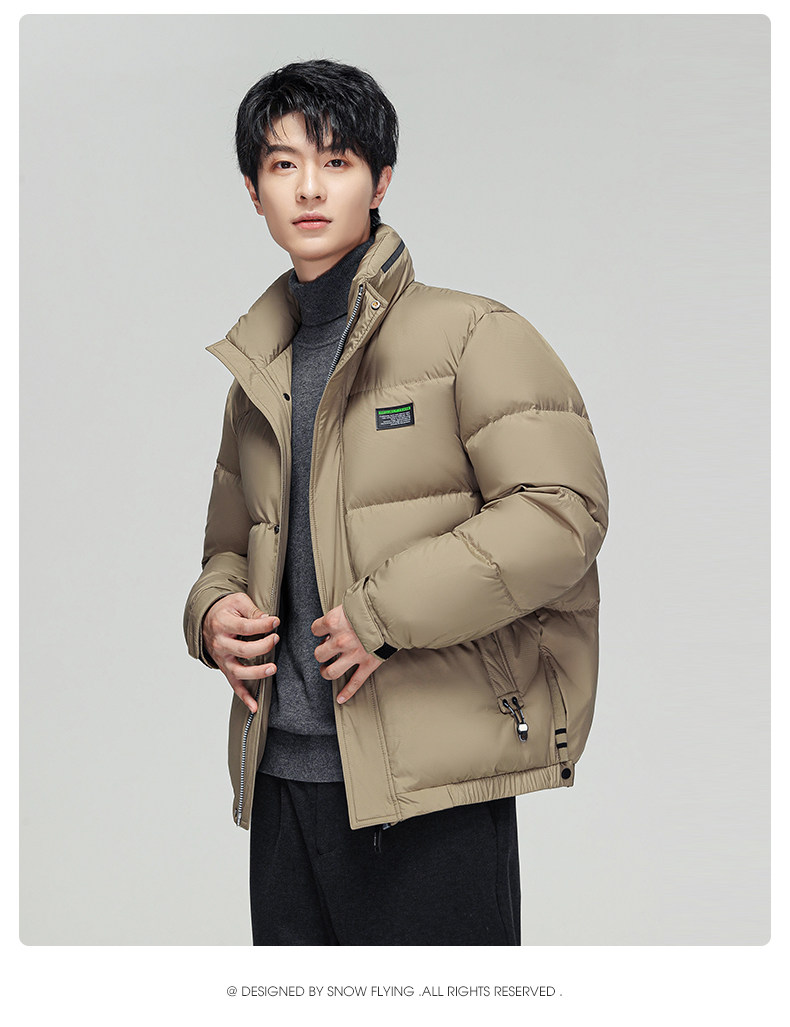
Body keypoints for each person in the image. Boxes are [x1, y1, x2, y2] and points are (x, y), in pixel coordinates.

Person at [183, 58, 609, 946]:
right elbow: (230, 543)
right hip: (283, 778)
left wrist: (382, 612)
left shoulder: (471, 334)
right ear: (253, 191)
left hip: (425, 787)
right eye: (283, 164)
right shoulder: (255, 376)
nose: (309, 187)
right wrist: (212, 612)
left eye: (336, 161)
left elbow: (563, 510)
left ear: (380, 182)